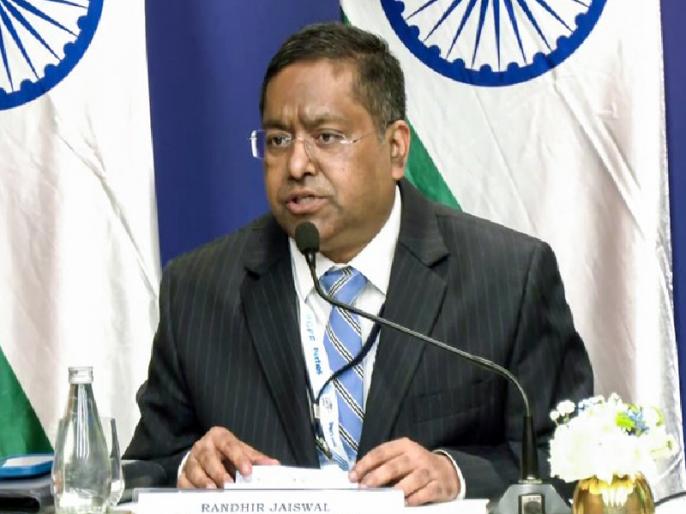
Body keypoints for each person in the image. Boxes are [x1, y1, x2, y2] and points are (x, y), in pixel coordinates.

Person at [124, 22, 593, 505]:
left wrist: (456, 474)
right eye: (279, 140)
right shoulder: (198, 289)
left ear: (396, 148)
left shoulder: (508, 278)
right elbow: (141, 469)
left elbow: (572, 459)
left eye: (326, 136)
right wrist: (188, 464)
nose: (297, 165)